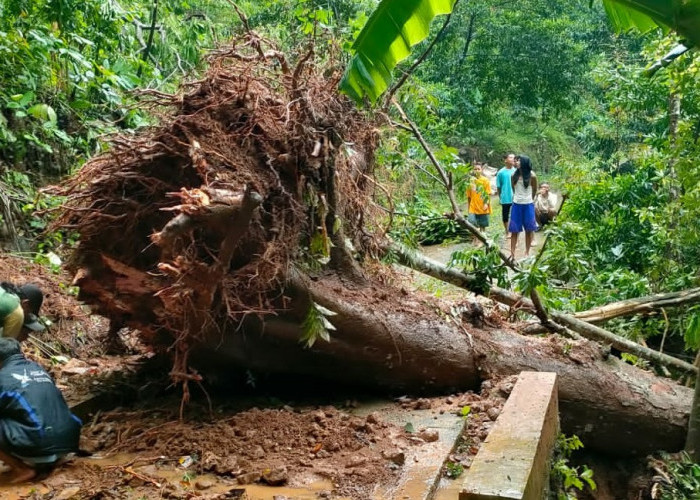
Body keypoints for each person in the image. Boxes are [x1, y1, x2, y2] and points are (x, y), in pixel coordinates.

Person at [0, 337, 81, 483]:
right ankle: (52, 457)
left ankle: (22, 469)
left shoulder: (2, 378)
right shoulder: (37, 369)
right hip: (69, 440)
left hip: (41, 442)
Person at [509, 155, 538, 260]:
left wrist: (530, 199)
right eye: (515, 161)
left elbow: (535, 189)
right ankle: (512, 254)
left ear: (525, 163)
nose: (516, 162)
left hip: (528, 204)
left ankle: (527, 252)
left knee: (529, 230)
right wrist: (517, 198)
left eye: (518, 161)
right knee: (514, 230)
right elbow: (513, 188)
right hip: (516, 204)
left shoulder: (532, 176)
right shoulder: (513, 175)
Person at [466, 163, 492, 233]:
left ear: (481, 170)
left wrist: (486, 204)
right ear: (473, 170)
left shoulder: (485, 180)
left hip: (482, 205)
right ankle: (476, 237)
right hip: (473, 206)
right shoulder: (470, 181)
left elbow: (488, 194)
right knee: (471, 221)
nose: (477, 170)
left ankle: (482, 237)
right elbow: (469, 196)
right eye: (475, 169)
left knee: (482, 224)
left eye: (478, 169)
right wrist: (468, 207)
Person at [496, 153, 516, 236]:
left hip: (516, 197)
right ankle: (507, 231)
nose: (513, 159)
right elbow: (498, 186)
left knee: (514, 214)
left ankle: (514, 230)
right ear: (506, 160)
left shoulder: (516, 171)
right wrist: (500, 197)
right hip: (505, 197)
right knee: (505, 215)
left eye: (514, 157)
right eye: (511, 157)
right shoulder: (501, 172)